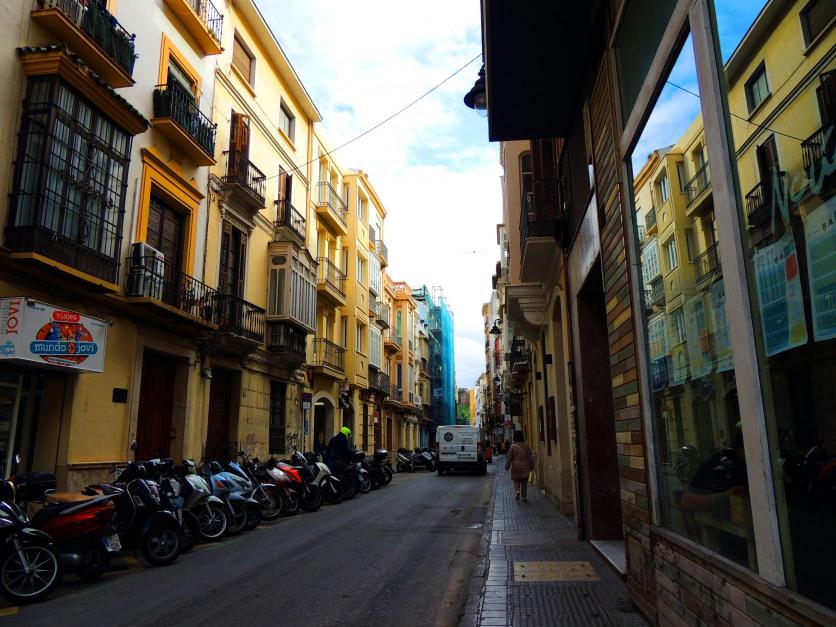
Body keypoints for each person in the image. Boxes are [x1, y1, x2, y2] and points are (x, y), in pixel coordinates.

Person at [505, 430, 533, 502]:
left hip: (516, 467)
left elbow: (509, 458)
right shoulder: (526, 446)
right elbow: (530, 457)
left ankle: (517, 491)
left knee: (516, 480)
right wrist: (531, 466)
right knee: (524, 482)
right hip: (525, 466)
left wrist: (507, 466)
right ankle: (523, 497)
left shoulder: (512, 447)